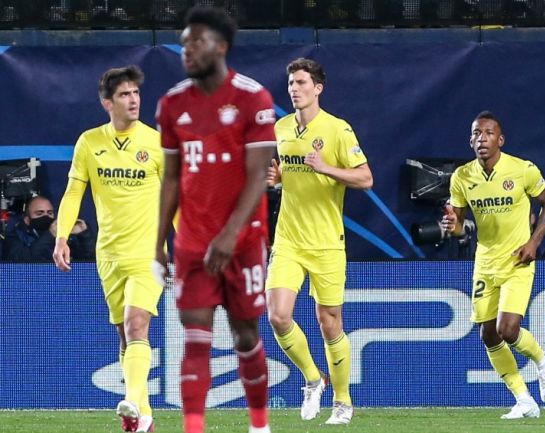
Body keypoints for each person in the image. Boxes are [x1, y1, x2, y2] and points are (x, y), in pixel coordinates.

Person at [154, 7, 276, 433]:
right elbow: (171, 178)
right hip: (192, 242)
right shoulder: (171, 105)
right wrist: (159, 242)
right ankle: (193, 427)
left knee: (245, 334)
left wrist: (229, 235)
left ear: (221, 46)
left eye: (196, 42)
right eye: (184, 42)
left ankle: (259, 425)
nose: (187, 50)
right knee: (195, 336)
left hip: (242, 241)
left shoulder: (253, 98)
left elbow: (259, 175)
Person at [51, 65, 162, 433]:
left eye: (136, 93)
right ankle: (142, 416)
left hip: (148, 255)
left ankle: (132, 403)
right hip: (109, 255)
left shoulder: (157, 143)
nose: (133, 100)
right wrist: (62, 236)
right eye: (124, 95)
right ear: (107, 103)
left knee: (136, 324)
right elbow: (73, 193)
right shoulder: (89, 142)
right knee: (124, 334)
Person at [265, 57, 373, 425]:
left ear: (318, 88)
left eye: (301, 83)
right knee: (278, 315)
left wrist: (326, 167)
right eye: (291, 83)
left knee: (330, 323)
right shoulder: (280, 128)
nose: (294, 88)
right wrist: (278, 179)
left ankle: (343, 402)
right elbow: (289, 174)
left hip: (327, 241)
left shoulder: (338, 130)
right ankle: (313, 379)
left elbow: (366, 178)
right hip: (289, 238)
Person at [441, 110, 545, 419]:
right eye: (477, 134)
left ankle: (543, 359)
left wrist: (534, 242)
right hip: (485, 262)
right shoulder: (462, 177)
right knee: (488, 335)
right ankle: (523, 399)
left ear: (500, 139)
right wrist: (451, 224)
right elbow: (458, 227)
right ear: (470, 140)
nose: (482, 138)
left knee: (507, 329)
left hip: (518, 260)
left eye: (489, 133)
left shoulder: (522, 170)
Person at [2, 195, 94, 262]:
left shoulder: (64, 236)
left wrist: (84, 235)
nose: (46, 216)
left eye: (49, 213)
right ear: (27, 219)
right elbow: (22, 260)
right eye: (39, 213)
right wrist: (50, 235)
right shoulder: (15, 236)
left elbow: (89, 259)